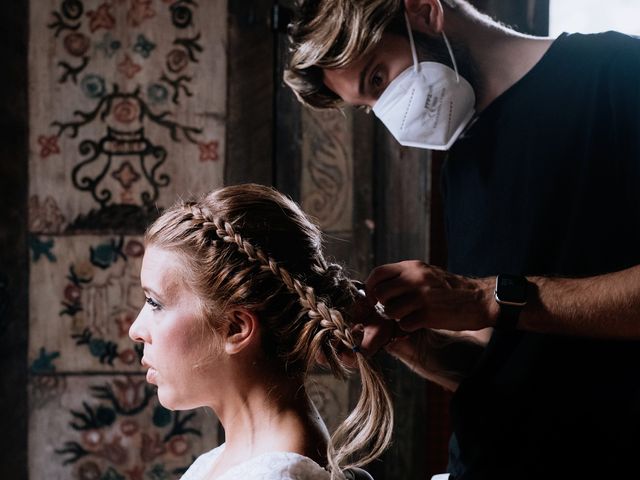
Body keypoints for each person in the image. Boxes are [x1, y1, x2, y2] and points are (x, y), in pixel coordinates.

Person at [284, 0, 640, 479]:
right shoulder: (462, 167)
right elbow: (499, 364)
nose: (388, 112)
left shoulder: (617, 71)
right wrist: (409, 339)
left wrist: (483, 296)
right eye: (368, 106)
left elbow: (498, 302)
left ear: (425, 12)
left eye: (378, 79)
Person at [128, 184, 395, 480]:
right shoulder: (227, 461)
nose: (135, 330)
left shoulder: (278, 475)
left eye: (155, 303)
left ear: (236, 328)